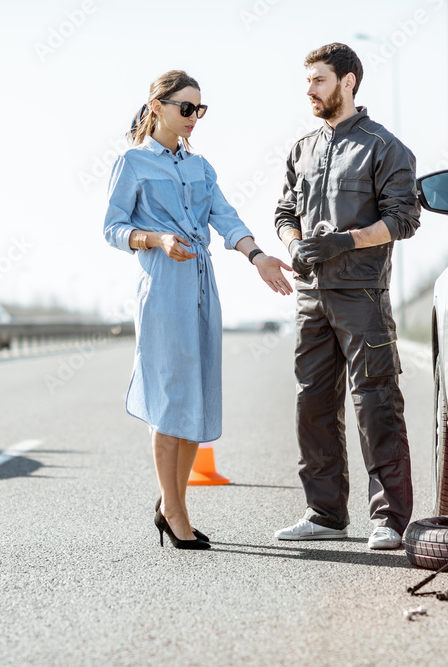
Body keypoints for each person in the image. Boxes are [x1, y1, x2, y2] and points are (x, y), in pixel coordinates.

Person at [104, 70, 293, 551]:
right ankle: (175, 509)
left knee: (197, 398)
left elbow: (225, 218)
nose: (193, 118)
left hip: (203, 286)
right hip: (163, 285)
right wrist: (156, 239)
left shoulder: (201, 167)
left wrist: (257, 256)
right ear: (157, 107)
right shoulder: (132, 162)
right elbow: (113, 228)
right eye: (185, 108)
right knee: (170, 401)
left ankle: (174, 503)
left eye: (199, 109)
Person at [273, 43, 420, 550]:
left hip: (361, 295)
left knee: (375, 402)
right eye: (307, 81)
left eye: (318, 80)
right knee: (311, 404)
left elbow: (403, 220)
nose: (309, 90)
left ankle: (391, 519)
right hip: (311, 296)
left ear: (348, 81)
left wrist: (346, 240)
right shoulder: (301, 148)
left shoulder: (385, 147)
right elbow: (283, 212)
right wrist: (294, 245)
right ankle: (325, 512)